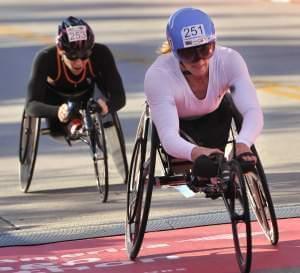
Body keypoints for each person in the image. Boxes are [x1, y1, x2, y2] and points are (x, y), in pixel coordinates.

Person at [144, 7, 263, 179]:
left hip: (216, 118)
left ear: (213, 43)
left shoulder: (229, 60)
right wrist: (195, 152)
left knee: (230, 104)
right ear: (174, 50)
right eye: (188, 53)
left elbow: (252, 110)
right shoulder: (158, 75)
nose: (199, 60)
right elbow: (169, 136)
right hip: (179, 126)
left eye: (205, 50)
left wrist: (243, 143)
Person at [26, 16, 126, 138]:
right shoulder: (45, 58)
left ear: (91, 50)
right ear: (60, 51)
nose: (79, 62)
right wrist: (57, 111)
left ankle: (78, 123)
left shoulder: (101, 54)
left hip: (86, 98)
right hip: (55, 102)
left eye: (84, 55)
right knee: (58, 128)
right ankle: (72, 124)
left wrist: (106, 106)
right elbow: (31, 105)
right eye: (72, 56)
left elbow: (119, 96)